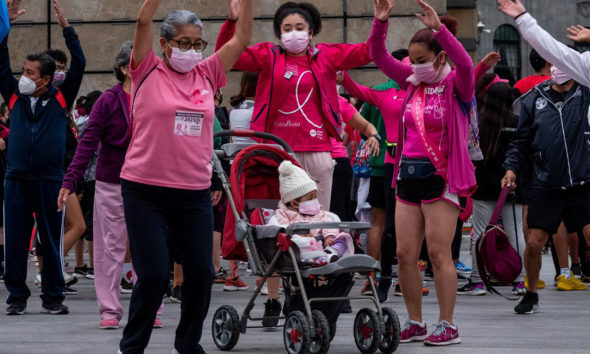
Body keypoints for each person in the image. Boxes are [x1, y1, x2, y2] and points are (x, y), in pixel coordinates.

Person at [107, 0, 252, 351]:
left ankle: (188, 344)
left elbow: (242, 39)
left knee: (201, 274)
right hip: (144, 191)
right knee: (155, 274)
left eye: (197, 44)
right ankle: (133, 345)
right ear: (164, 43)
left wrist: (245, 4)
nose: (190, 51)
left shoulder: (208, 73)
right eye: (183, 43)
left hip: (192, 193)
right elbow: (143, 21)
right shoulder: (145, 70)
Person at [371, 0, 476, 345]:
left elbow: (465, 61)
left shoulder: (456, 85)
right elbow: (380, 58)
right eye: (412, 61)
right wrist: (380, 23)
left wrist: (440, 30)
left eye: (422, 60)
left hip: (441, 177)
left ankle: (447, 324)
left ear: (440, 56)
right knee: (404, 254)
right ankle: (414, 321)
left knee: (438, 253)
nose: (415, 66)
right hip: (407, 176)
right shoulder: (412, 80)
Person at [216, 0, 378, 212]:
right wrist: (231, 21)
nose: (294, 33)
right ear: (280, 35)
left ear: (310, 33)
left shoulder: (327, 56)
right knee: (283, 223)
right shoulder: (267, 56)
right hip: (279, 151)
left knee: (319, 221)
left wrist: (380, 20)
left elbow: (368, 52)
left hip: (317, 150)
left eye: (300, 28)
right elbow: (226, 54)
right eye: (287, 29)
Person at [498, 0, 590, 314]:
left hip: (582, 180)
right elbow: (520, 140)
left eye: (565, 78)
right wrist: (511, 168)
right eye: (555, 76)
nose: (560, 81)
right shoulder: (534, 98)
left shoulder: (585, 93)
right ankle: (531, 291)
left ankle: (574, 272)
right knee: (535, 241)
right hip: (545, 184)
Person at [1, 0, 84, 315]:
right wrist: (5, 25)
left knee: (51, 241)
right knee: (16, 242)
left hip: (51, 181)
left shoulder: (61, 97)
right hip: (17, 180)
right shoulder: (14, 95)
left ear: (46, 79)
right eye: (23, 70)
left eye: (30, 72)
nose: (23, 76)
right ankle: (17, 298)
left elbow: (79, 61)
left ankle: (53, 297)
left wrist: (68, 30)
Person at [339, 54, 407, 302]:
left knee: (377, 222)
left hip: (377, 167)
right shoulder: (410, 92)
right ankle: (401, 278)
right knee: (401, 223)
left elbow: (361, 124)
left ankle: (372, 277)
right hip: (399, 165)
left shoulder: (379, 91)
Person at [458, 74, 525, 296]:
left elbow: (471, 154)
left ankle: (478, 281)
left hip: (484, 185)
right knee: (515, 233)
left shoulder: (479, 124)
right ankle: (519, 281)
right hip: (512, 186)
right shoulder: (517, 122)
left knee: (479, 232)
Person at [270, 161, 355, 264]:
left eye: (315, 197)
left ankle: (331, 252)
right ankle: (322, 258)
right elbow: (282, 227)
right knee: (299, 244)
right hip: (302, 247)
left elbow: (328, 223)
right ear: (294, 203)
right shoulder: (284, 214)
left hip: (323, 244)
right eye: (310, 198)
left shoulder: (318, 213)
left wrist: (329, 236)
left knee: (342, 238)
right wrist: (298, 233)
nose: (315, 200)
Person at [229, 71, 258, 144]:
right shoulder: (260, 110)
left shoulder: (234, 110)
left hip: (236, 154)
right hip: (257, 153)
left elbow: (231, 141)